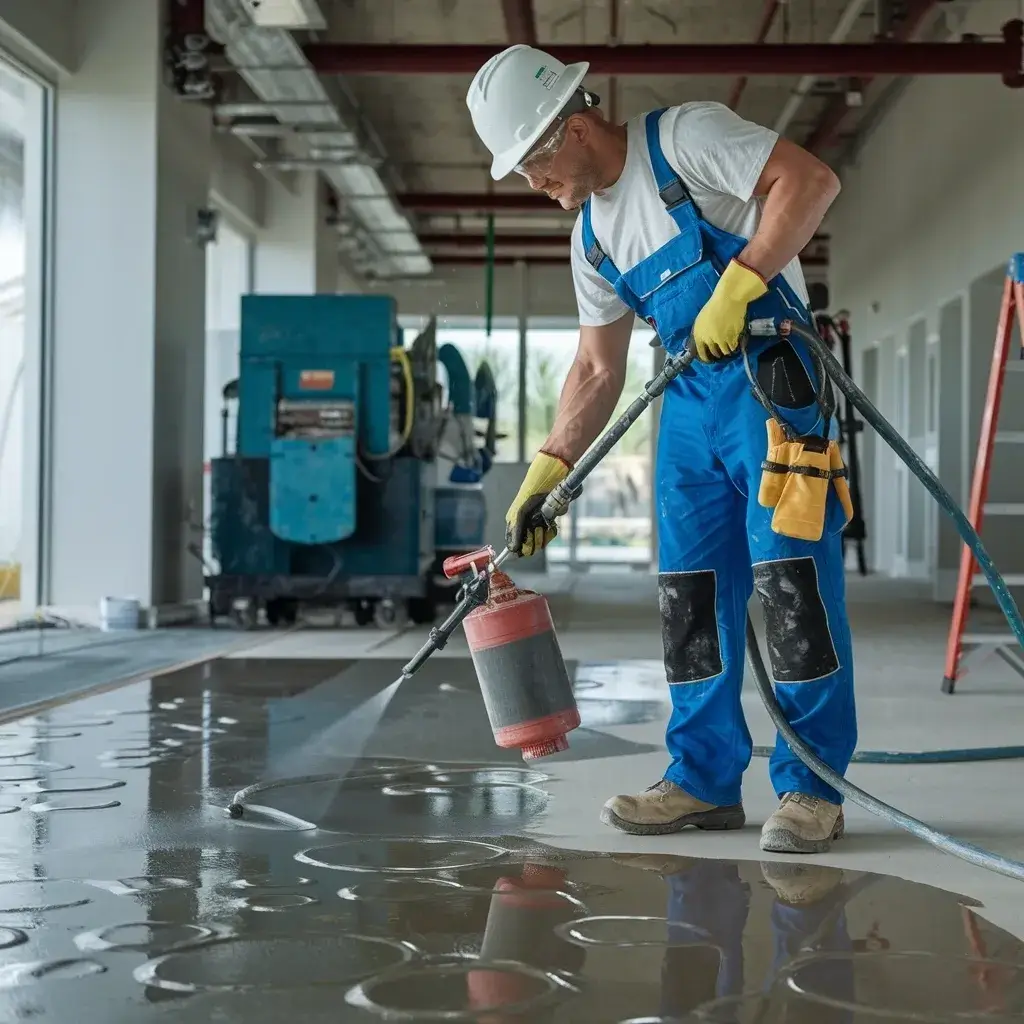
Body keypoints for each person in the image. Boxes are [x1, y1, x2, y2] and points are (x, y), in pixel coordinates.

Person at [466, 44, 857, 855]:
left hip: (769, 379)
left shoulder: (684, 140)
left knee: (792, 587)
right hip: (687, 404)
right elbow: (596, 367)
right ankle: (703, 780)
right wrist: (550, 466)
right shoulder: (590, 239)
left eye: (534, 165)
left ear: (574, 129)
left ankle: (812, 789)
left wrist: (744, 279)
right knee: (691, 599)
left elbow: (811, 181)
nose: (534, 185)